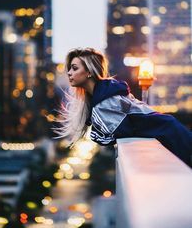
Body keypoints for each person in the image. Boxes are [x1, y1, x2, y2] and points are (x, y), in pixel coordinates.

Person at [54, 47, 192, 167]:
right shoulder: (105, 94)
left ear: (89, 72)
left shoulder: (104, 102)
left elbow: (113, 136)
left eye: (75, 68)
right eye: (70, 68)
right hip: (169, 131)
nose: (69, 73)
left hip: (170, 136)